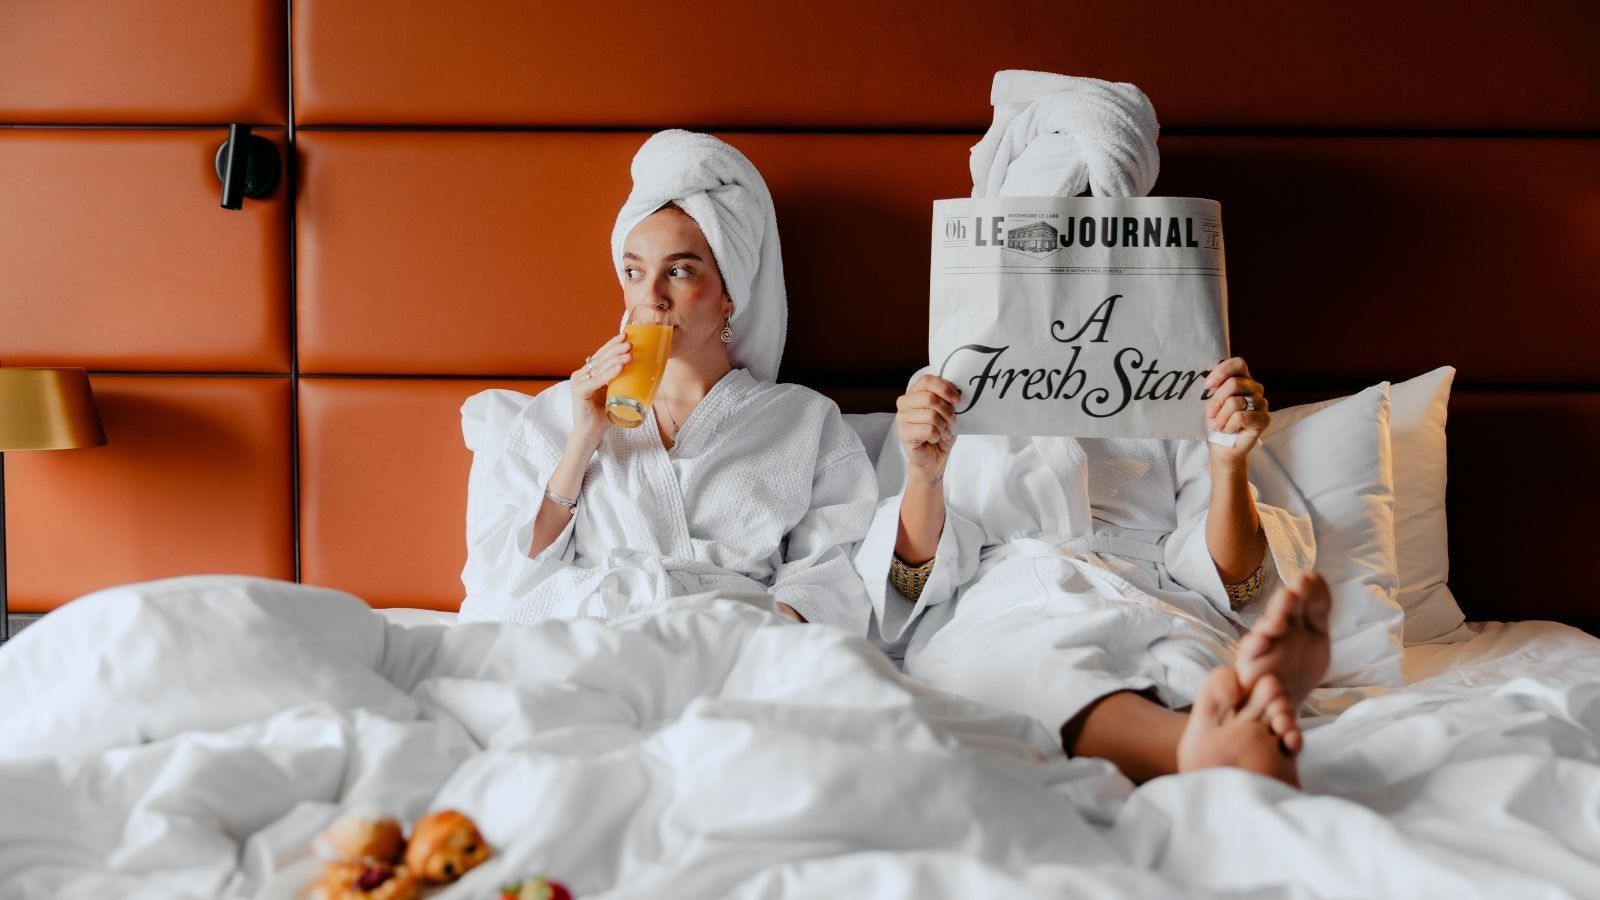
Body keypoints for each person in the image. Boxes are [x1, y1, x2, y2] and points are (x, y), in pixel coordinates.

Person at [459, 130, 875, 632]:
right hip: (592, 643)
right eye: (634, 273)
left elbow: (829, 580)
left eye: (678, 271)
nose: (650, 297)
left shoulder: (802, 420)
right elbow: (504, 580)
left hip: (729, 649)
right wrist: (581, 443)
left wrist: (732, 633)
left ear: (729, 296)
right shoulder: (557, 413)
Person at [858, 361, 1330, 786]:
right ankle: (1219, 737)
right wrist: (926, 476)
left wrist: (1229, 463)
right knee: (1036, 665)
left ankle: (1225, 724)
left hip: (1150, 586)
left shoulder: (1175, 374)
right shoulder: (944, 380)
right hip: (1003, 593)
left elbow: (1233, 578)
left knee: (1186, 656)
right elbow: (909, 580)